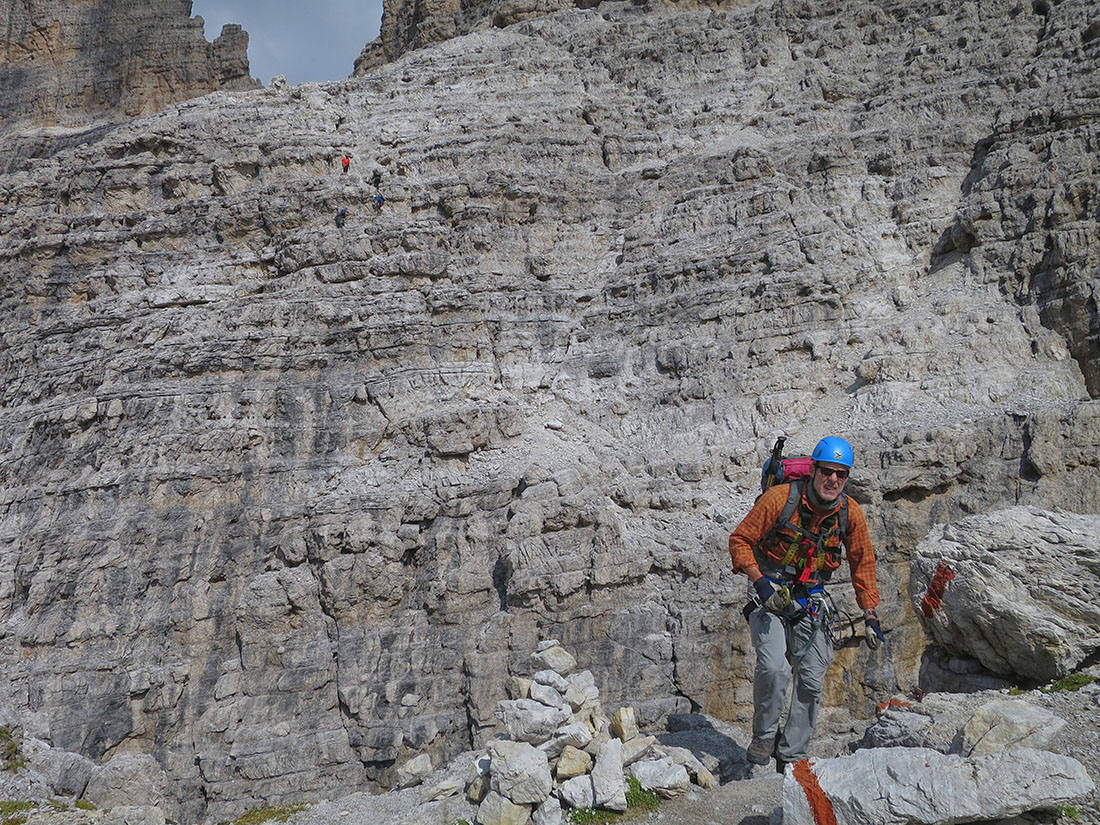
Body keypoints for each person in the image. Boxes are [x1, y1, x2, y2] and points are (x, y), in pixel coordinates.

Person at [728, 436, 884, 773]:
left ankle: (792, 755)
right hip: (769, 592)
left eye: (841, 474)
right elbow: (740, 540)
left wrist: (870, 614)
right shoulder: (779, 499)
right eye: (827, 471)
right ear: (813, 470)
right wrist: (761, 583)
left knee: (812, 677)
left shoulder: (850, 513)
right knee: (774, 668)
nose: (833, 480)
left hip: (812, 597)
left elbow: (863, 562)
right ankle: (764, 737)